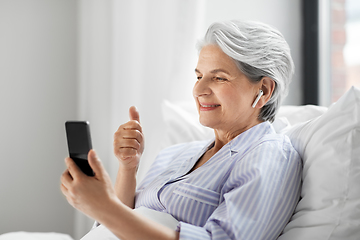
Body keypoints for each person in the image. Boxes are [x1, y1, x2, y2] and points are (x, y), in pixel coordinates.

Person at [61, 20, 302, 240]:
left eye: (218, 78)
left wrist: (104, 207)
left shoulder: (269, 156)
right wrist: (128, 168)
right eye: (199, 77)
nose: (199, 90)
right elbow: (122, 225)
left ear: (265, 90)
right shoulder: (175, 154)